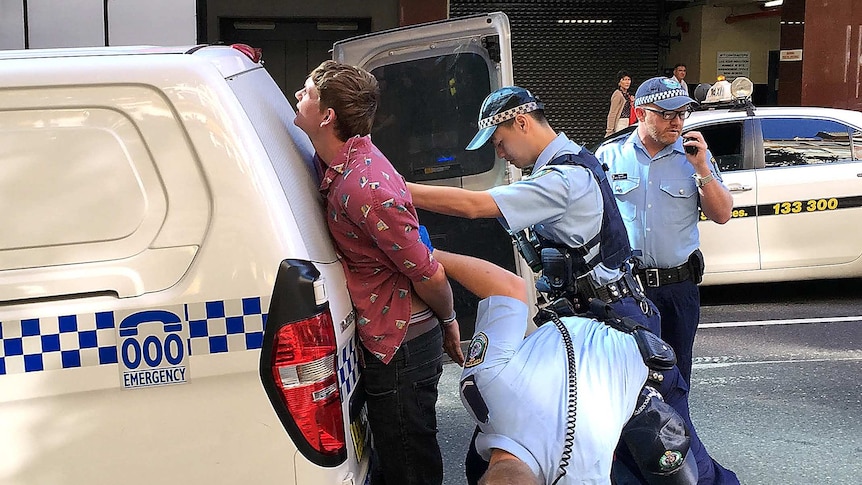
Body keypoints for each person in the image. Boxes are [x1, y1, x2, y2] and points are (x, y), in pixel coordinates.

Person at [409, 86, 738, 485]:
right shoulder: (576, 163)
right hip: (592, 324)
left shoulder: (565, 179)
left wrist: (392, 189)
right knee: (618, 447)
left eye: (499, 142)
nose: (500, 154)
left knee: (666, 444)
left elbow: (474, 206)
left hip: (615, 328)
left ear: (521, 123)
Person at [293, 60, 464, 485]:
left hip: (403, 345)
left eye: (308, 92)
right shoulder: (338, 160)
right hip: (388, 336)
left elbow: (430, 274)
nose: (298, 95)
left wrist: (450, 321)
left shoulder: (364, 187)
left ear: (329, 116)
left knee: (409, 468)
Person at [432, 249, 659, 485]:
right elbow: (507, 287)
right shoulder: (481, 385)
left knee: (667, 451)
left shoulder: (581, 474)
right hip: (592, 330)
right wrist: (426, 252)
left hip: (635, 349)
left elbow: (508, 288)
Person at [596, 76, 733, 387]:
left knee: (675, 378)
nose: (677, 122)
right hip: (625, 289)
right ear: (641, 113)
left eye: (682, 114)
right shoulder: (609, 156)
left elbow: (722, 213)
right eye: (667, 113)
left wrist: (702, 170)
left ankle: (675, 434)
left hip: (677, 290)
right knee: (626, 379)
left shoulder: (695, 157)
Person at [605, 70, 636, 136]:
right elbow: (612, 113)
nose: (627, 82)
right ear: (619, 82)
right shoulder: (618, 94)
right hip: (620, 123)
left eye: (629, 79)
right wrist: (610, 130)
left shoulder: (627, 95)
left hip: (628, 123)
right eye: (624, 79)